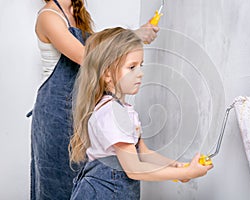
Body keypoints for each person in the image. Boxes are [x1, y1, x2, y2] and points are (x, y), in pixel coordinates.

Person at [30, 0, 159, 199]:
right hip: (55, 116)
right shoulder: (48, 16)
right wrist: (133, 36)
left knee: (85, 182)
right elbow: (89, 57)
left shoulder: (77, 14)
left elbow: (102, 45)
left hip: (82, 112)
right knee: (56, 184)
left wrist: (134, 36)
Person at [69, 27, 213, 199]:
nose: (140, 73)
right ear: (107, 74)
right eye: (132, 67)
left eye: (141, 65)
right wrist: (183, 173)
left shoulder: (122, 110)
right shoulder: (112, 113)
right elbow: (134, 169)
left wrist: (176, 167)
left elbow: (143, 153)